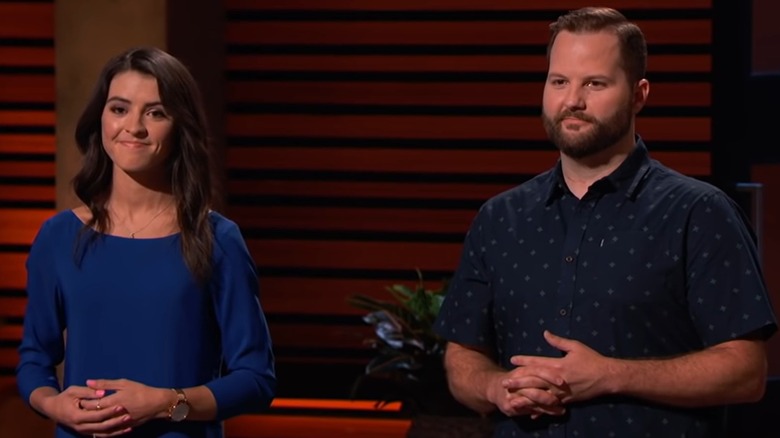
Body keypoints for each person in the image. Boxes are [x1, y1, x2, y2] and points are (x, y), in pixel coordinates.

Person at [434, 7, 777, 437]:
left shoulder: (699, 213)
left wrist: (611, 374)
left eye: (594, 83)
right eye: (559, 82)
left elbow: (745, 372)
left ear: (639, 94)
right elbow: (461, 354)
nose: (572, 100)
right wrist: (494, 386)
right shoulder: (500, 218)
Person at [16, 46, 276, 437]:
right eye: (119, 109)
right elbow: (34, 359)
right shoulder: (58, 237)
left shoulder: (217, 239)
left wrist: (164, 403)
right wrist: (53, 404)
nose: (133, 127)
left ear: (179, 126)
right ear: (100, 118)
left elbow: (256, 379)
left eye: (155, 113)